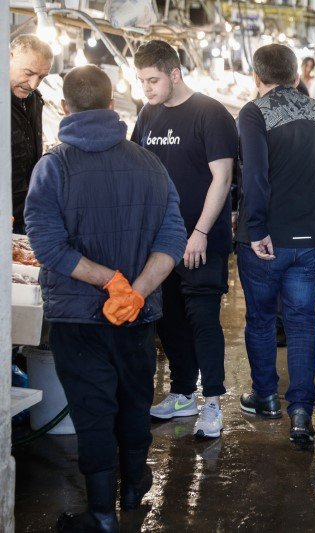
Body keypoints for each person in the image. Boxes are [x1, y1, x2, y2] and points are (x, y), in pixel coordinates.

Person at [25, 65, 186, 532]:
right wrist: (134, 291)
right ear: (113, 104)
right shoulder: (151, 164)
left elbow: (48, 246)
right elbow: (172, 239)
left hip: (78, 319)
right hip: (138, 316)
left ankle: (101, 514)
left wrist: (108, 282)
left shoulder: (53, 166)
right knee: (135, 401)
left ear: (64, 107)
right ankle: (133, 488)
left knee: (94, 412)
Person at [132, 40, 238, 439]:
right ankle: (182, 393)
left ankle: (212, 403)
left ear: (174, 74)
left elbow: (222, 178)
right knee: (170, 319)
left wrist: (200, 232)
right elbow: (137, 167)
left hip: (201, 240)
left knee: (203, 320)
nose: (147, 88)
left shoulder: (210, 113)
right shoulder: (148, 114)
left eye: (153, 80)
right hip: (162, 242)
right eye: (141, 80)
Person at [236, 44, 315, 444]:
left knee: (261, 319)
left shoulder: (254, 112)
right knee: (302, 321)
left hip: (268, 240)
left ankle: (265, 397)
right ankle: (301, 411)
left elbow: (255, 176)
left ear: (257, 77)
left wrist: (256, 227)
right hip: (314, 236)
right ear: (296, 77)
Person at [10, 34, 53, 235]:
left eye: (42, 77)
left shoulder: (34, 100)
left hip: (26, 215)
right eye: (28, 73)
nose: (34, 84)